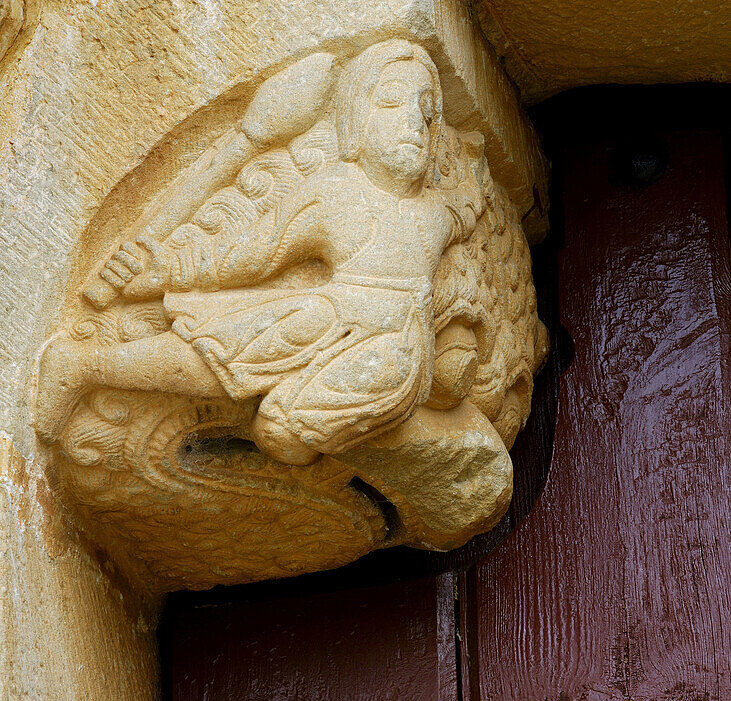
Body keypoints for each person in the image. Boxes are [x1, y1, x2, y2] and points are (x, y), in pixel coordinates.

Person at [37, 40, 486, 465]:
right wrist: (161, 272)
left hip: (403, 353)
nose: (414, 123)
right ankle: (82, 365)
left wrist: (476, 175)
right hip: (332, 325)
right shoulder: (334, 193)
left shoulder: (434, 212)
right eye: (390, 102)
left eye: (427, 113)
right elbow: (249, 254)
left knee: (294, 429)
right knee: (238, 358)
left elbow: (467, 208)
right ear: (353, 121)